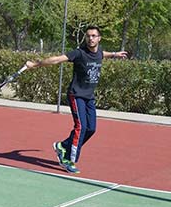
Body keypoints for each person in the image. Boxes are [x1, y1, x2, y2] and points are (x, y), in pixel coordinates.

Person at [25, 26, 127, 174]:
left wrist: (115, 54)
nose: (90, 39)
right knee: (81, 127)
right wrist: (36, 64)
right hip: (76, 95)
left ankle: (63, 146)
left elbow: (102, 54)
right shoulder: (79, 53)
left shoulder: (98, 52)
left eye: (93, 36)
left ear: (99, 38)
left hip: (89, 97)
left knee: (91, 129)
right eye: (88, 36)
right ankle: (68, 159)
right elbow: (58, 60)